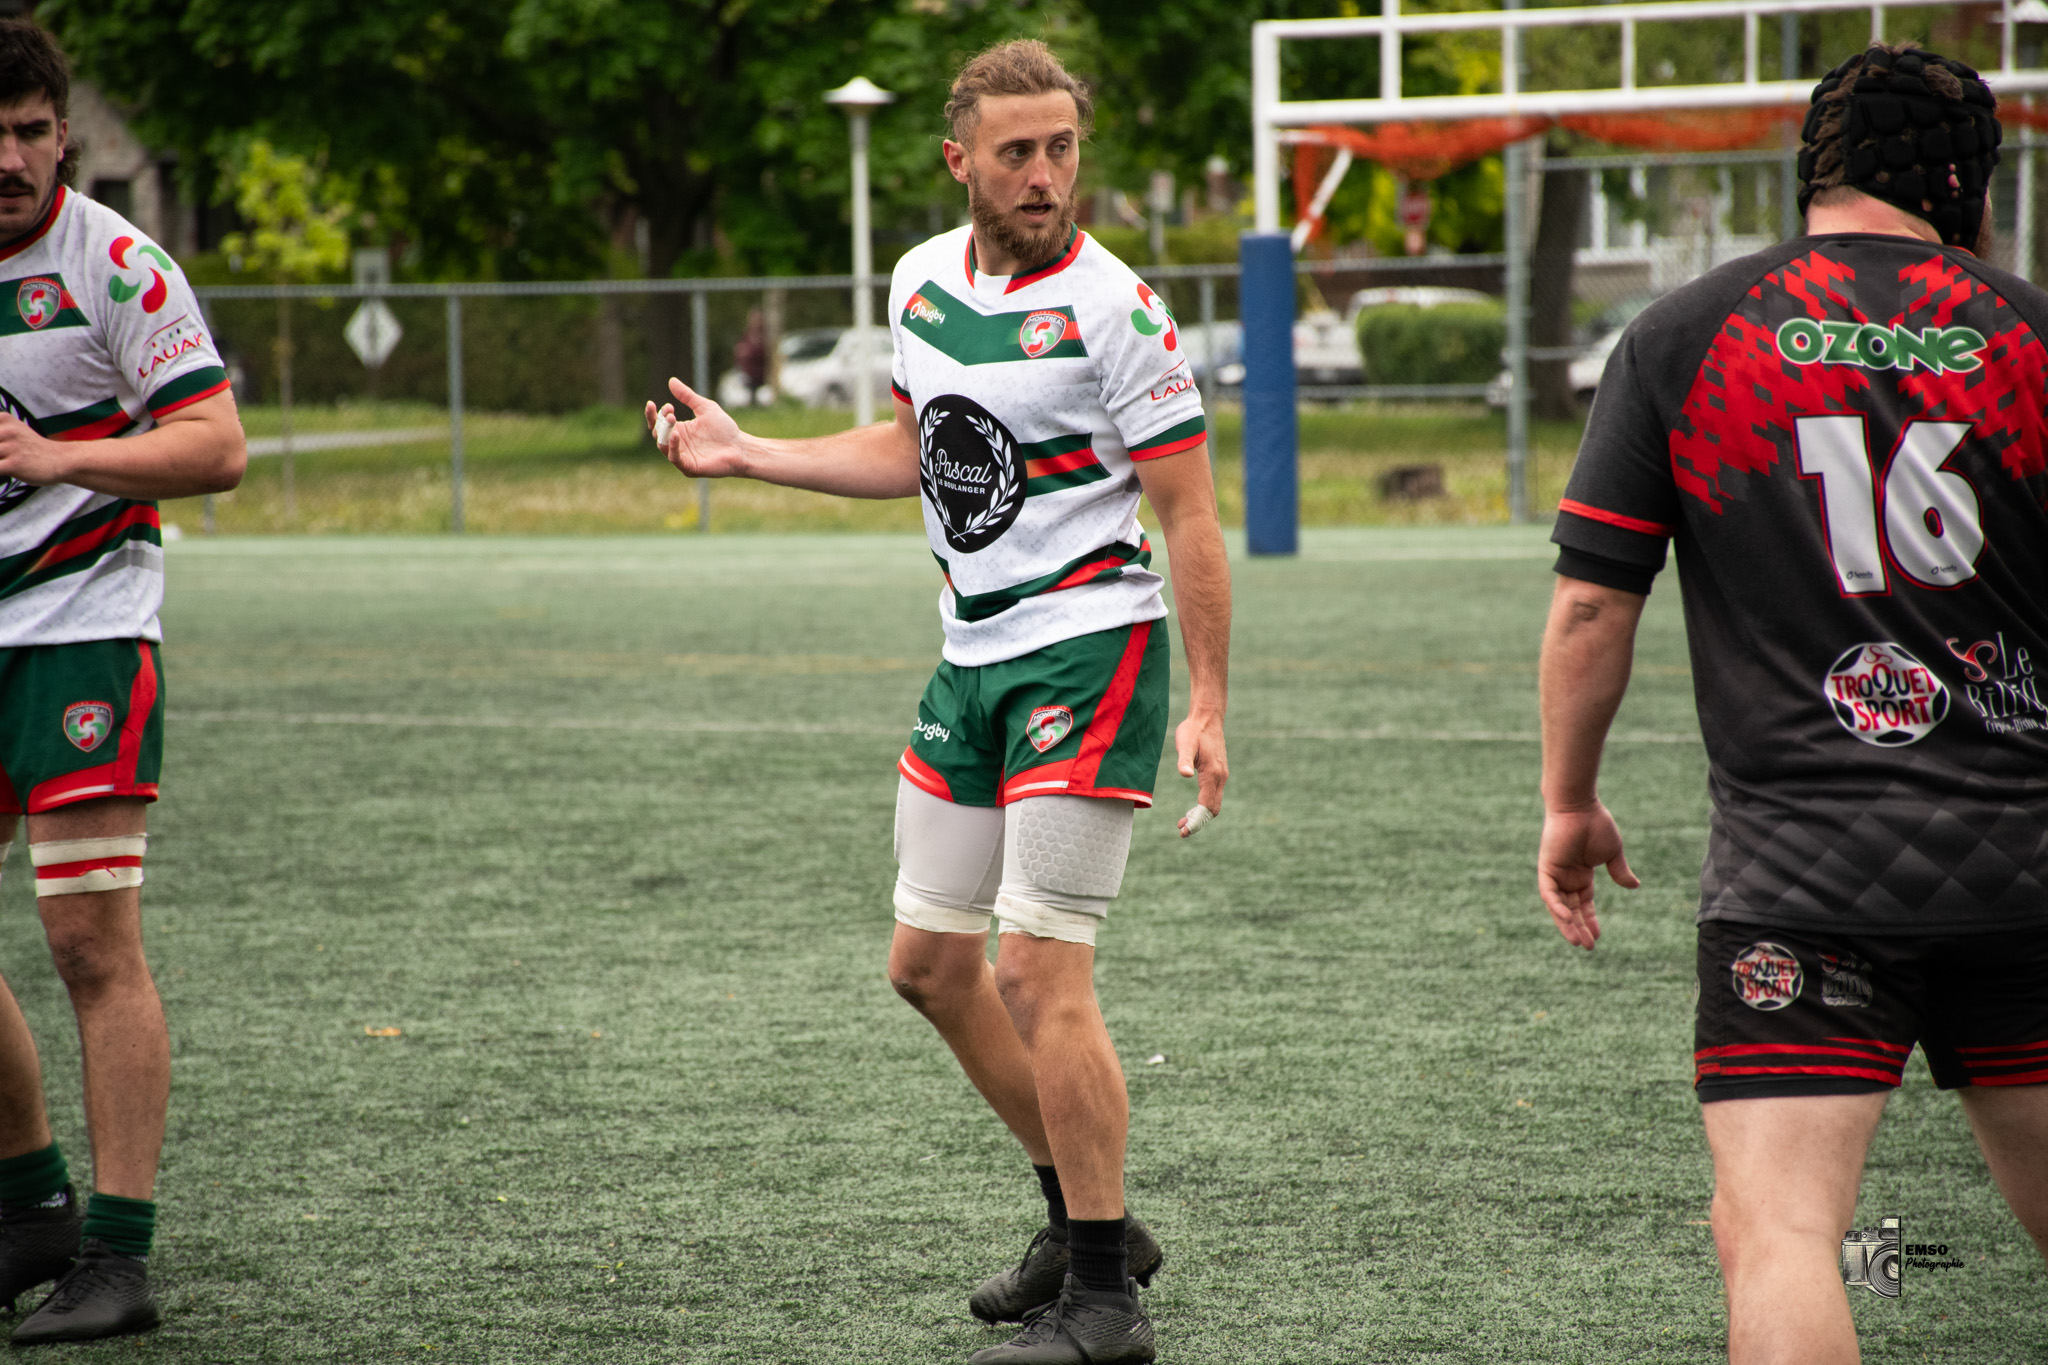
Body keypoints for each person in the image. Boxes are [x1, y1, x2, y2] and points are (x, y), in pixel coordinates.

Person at [648, 39, 1228, 1365]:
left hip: (1092, 650)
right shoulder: (918, 280)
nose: (1043, 174)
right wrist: (752, 453)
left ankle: (1103, 1303)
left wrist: (1210, 700)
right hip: (970, 656)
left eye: (1062, 147)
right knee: (929, 966)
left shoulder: (1118, 310)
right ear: (961, 159)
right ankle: (1090, 1224)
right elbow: (914, 448)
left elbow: (1189, 513)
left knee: (1036, 966)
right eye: (1016, 151)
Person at [1537, 42, 2048, 1365]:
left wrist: (1567, 799)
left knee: (1779, 1232)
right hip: (2026, 865)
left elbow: (1595, 604)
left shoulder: (1689, 334)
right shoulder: (2031, 336)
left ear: (1810, 171)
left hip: (1801, 880)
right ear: (1958, 180)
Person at [0, 19, 245, 1344]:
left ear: (64, 134)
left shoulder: (115, 262)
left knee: (88, 937)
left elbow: (215, 443)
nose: (12, 157)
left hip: (86, 626)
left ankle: (119, 1249)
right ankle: (29, 1204)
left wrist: (57, 458)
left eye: (33, 131)